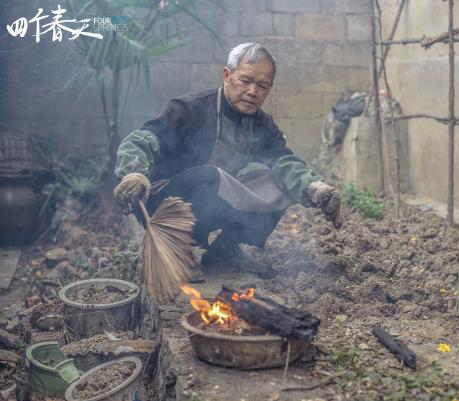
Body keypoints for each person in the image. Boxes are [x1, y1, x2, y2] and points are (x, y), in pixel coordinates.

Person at [113, 43, 342, 281]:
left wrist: (314, 187)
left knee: (278, 182)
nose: (253, 91)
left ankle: (225, 250)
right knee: (210, 176)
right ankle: (179, 249)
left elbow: (284, 161)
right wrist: (134, 174)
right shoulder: (190, 109)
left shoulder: (261, 123)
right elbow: (141, 140)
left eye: (262, 86)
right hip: (162, 205)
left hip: (212, 200)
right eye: (245, 81)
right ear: (227, 75)